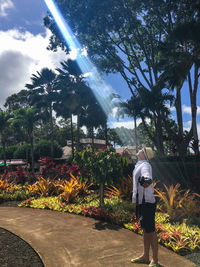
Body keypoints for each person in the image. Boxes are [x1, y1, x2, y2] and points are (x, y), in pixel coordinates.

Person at [131, 146, 159, 267]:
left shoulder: (145, 165)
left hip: (147, 202)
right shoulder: (139, 164)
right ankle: (145, 256)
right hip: (142, 202)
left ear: (145, 154)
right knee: (145, 230)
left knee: (151, 231)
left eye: (142, 150)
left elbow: (147, 177)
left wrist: (146, 180)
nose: (139, 150)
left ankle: (155, 260)